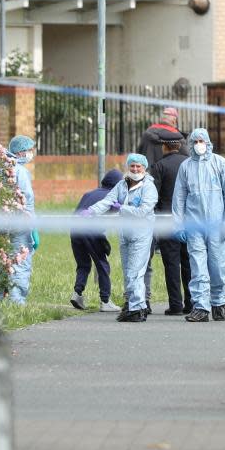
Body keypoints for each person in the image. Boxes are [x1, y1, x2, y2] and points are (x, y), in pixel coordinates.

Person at [172, 128, 225, 322]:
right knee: (197, 266)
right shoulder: (185, 167)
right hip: (194, 226)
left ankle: (218, 302)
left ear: (208, 142)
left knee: (218, 265)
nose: (199, 144)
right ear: (190, 144)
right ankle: (201, 306)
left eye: (202, 140)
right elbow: (179, 198)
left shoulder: (220, 163)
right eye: (195, 141)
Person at [82, 154, 157, 322]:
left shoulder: (149, 187)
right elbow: (108, 201)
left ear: (144, 168)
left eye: (139, 166)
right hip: (125, 234)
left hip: (141, 234)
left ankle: (136, 308)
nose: (135, 169)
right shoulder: (121, 185)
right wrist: (92, 211)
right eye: (132, 166)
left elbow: (143, 211)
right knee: (128, 272)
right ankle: (135, 305)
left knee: (135, 272)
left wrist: (122, 208)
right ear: (128, 167)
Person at [148, 129, 192, 315]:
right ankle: (191, 303)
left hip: (167, 221)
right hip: (189, 221)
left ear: (165, 146)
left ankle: (175, 305)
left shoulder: (159, 166)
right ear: (180, 145)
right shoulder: (189, 165)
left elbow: (153, 196)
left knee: (172, 264)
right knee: (189, 263)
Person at [69, 169, 124, 312]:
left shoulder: (89, 193)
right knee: (102, 265)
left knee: (83, 265)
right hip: (91, 231)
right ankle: (105, 301)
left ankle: (77, 293)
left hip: (74, 230)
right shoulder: (111, 196)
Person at [0, 135, 38, 305]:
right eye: (30, 150)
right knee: (20, 263)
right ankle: (16, 303)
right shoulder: (20, 171)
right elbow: (26, 199)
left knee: (1, 261)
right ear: (21, 152)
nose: (31, 153)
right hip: (20, 224)